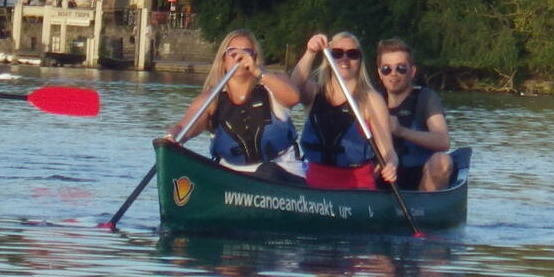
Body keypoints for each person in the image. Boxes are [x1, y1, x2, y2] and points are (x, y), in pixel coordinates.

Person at [169, 30, 305, 184]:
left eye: (246, 52)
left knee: (267, 171)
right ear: (223, 60)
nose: (239, 57)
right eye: (232, 52)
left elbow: (294, 97)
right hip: (232, 179)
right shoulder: (210, 99)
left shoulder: (273, 85)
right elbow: (184, 126)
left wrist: (258, 72)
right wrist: (171, 138)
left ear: (254, 57)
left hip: (282, 173)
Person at [292, 31, 398, 190]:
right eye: (337, 53)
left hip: (355, 185)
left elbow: (388, 152)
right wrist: (310, 52)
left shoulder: (371, 99)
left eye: (352, 54)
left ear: (360, 61)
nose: (345, 59)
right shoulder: (314, 93)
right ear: (328, 59)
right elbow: (294, 86)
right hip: (314, 181)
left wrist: (390, 165)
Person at [373, 38, 453, 192]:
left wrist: (401, 131)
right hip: (384, 174)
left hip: (420, 175)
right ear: (380, 73)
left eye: (401, 68)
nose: (393, 74)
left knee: (442, 161)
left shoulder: (426, 97)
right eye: (386, 69)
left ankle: (425, 209)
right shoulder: (373, 99)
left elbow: (443, 141)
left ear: (412, 71)